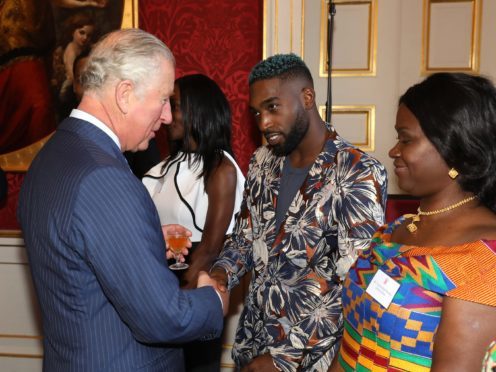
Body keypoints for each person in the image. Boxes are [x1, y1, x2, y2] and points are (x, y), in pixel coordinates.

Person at [17, 28, 228, 371]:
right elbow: (162, 317)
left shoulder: (52, 155)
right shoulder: (104, 176)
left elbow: (75, 253)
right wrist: (213, 300)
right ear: (126, 94)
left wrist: (141, 241)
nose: (168, 117)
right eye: (162, 100)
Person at [209, 53, 388, 371]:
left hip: (317, 357)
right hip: (254, 345)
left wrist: (284, 358)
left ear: (307, 97)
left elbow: (355, 283)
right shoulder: (262, 161)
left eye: (273, 107)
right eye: (257, 112)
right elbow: (245, 238)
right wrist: (222, 272)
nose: (264, 123)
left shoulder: (357, 171)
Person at [331, 73, 496, 371]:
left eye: (406, 139)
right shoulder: (394, 231)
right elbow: (350, 341)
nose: (394, 150)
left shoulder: (484, 259)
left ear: (454, 149)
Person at [143, 73, 246, 371]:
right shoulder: (160, 169)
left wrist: (176, 305)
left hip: (193, 298)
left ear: (198, 109)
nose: (164, 114)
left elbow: (212, 248)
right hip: (158, 297)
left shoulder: (220, 167)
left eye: (173, 105)